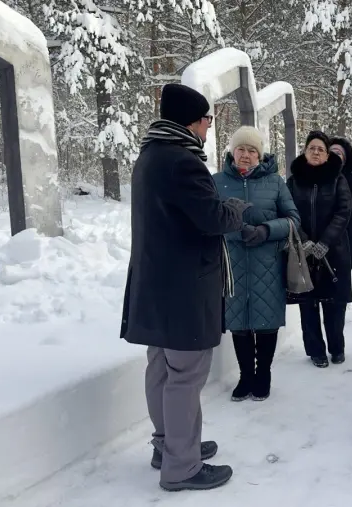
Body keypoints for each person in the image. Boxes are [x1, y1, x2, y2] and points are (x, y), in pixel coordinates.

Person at [121, 83, 247, 491]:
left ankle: (169, 446)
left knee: (161, 367)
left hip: (155, 283)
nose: (209, 126)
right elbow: (211, 219)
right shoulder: (183, 161)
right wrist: (235, 209)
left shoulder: (150, 155)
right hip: (185, 288)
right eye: (208, 119)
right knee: (185, 377)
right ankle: (182, 466)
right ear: (193, 121)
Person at [212, 126, 301, 403]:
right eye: (241, 149)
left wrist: (266, 230)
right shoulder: (216, 182)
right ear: (232, 151)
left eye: (252, 150)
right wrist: (234, 229)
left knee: (265, 322)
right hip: (232, 265)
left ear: (259, 155)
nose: (246, 155)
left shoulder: (275, 182)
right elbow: (208, 219)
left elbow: (294, 220)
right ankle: (245, 376)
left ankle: (263, 374)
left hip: (268, 263)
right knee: (238, 322)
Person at [287, 131, 352, 368]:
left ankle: (337, 347)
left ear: (327, 155)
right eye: (311, 148)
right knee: (308, 304)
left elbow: (343, 212)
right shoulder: (294, 180)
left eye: (321, 149)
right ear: (305, 151)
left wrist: (325, 242)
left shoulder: (338, 178)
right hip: (303, 252)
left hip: (334, 250)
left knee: (334, 303)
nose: (316, 152)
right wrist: (304, 241)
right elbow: (288, 211)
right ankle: (316, 350)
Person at [330, 137, 352, 269]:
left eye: (338, 153)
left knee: (344, 268)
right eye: (332, 152)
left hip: (346, 230)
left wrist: (341, 219)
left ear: (344, 158)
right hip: (325, 232)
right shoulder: (322, 176)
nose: (335, 156)